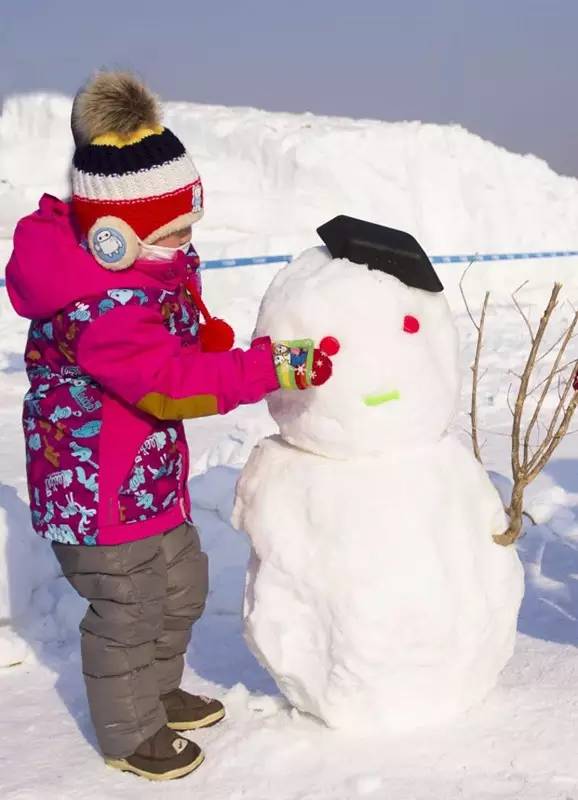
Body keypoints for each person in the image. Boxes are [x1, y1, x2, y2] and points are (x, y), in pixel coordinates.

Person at [5, 71, 336, 782]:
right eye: (176, 229)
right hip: (96, 492)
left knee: (182, 584)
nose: (188, 241)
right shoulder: (101, 307)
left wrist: (208, 335)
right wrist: (266, 367)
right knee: (130, 607)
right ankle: (128, 732)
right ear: (116, 237)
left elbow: (176, 338)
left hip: (142, 477)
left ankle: (154, 691)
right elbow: (165, 384)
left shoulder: (144, 272)